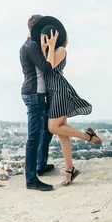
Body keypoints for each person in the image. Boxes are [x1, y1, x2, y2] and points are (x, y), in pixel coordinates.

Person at [40, 25, 102, 186]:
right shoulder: (49, 51)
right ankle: (70, 170)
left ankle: (88, 137)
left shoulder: (59, 50)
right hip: (53, 93)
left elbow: (49, 69)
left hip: (60, 92)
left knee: (53, 128)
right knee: (62, 132)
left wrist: (51, 46)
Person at [19, 14, 55, 192]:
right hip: (34, 94)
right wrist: (50, 45)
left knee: (46, 131)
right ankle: (31, 179)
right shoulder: (31, 46)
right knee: (34, 137)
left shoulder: (32, 45)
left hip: (38, 94)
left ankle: (41, 165)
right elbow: (46, 67)